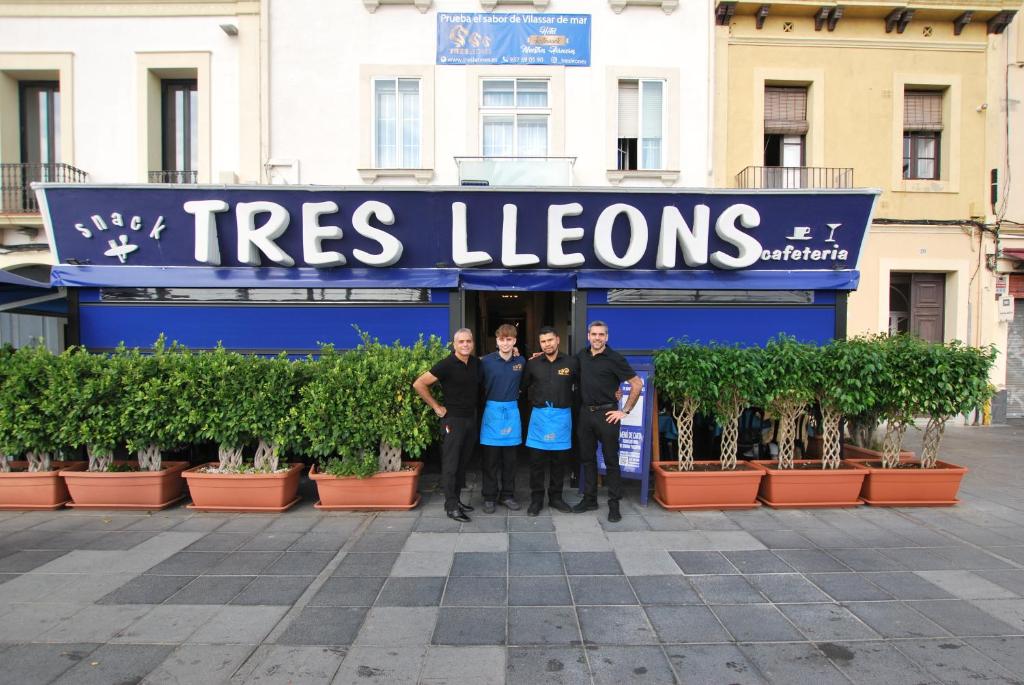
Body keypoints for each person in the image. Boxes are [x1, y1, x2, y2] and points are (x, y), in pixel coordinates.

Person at [573, 321, 643, 523]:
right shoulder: (581, 356)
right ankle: (590, 499)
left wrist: (625, 411)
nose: (597, 338)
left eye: (601, 334)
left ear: (607, 337)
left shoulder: (615, 358)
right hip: (585, 414)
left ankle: (614, 505)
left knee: (611, 461)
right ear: (588, 336)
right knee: (587, 459)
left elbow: (636, 384)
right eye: (593, 334)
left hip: (608, 414)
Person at [413, 328, 481, 522]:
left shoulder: (476, 363)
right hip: (453, 421)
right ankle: (451, 506)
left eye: (468, 341)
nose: (465, 345)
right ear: (454, 344)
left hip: (471, 419)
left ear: (473, 343)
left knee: (462, 463)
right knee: (451, 465)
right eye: (461, 342)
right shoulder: (446, 364)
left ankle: (457, 500)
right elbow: (419, 384)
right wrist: (436, 406)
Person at [520, 326, 578, 516]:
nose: (547, 344)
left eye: (550, 340)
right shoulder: (533, 364)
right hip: (540, 417)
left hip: (562, 418)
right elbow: (521, 387)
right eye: (543, 341)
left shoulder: (572, 362)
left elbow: (584, 385)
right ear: (540, 343)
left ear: (558, 340)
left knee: (559, 462)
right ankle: (536, 500)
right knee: (536, 463)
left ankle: (556, 498)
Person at [479, 324, 525, 514]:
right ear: (496, 341)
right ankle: (489, 496)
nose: (505, 343)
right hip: (492, 413)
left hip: (512, 413)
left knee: (510, 460)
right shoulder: (485, 361)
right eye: (501, 339)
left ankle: (507, 495)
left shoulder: (521, 361)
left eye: (509, 339)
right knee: (490, 460)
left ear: (514, 341)